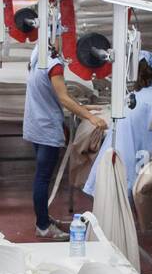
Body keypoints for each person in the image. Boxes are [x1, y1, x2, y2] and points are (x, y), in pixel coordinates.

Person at [83, 49, 152, 231]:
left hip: (110, 160)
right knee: (115, 229)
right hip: (123, 165)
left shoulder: (139, 94)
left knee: (106, 224)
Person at [22, 23, 108, 240]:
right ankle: (42, 226)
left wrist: (81, 106)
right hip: (47, 126)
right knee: (42, 178)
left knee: (41, 177)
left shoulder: (38, 53)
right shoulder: (54, 64)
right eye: (66, 38)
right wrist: (90, 117)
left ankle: (44, 218)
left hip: (35, 121)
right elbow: (62, 96)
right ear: (56, 36)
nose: (70, 45)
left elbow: (50, 93)